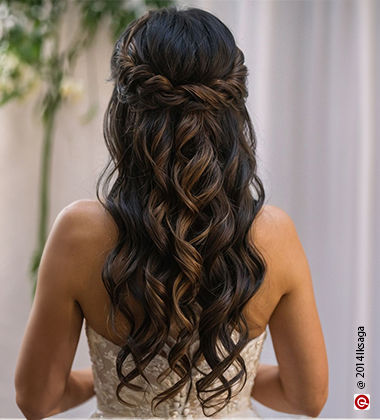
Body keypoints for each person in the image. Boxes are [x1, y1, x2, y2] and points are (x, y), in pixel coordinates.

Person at [14, 6, 328, 420]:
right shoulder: (273, 235)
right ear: (232, 113)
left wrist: (105, 380)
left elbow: (37, 401)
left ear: (125, 113)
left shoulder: (79, 233)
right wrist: (235, 379)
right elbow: (308, 398)